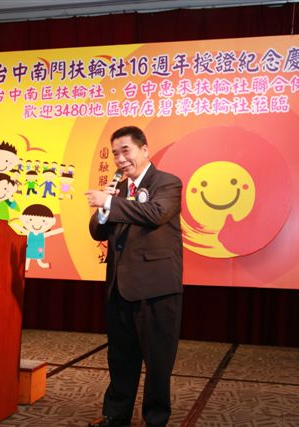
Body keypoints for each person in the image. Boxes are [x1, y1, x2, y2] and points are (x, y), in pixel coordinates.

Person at [85, 126, 183, 427]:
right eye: (115, 154)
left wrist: (110, 203)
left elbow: (155, 213)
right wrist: (105, 207)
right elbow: (97, 232)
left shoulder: (167, 183)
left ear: (144, 149)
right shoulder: (120, 190)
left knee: (157, 362)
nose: (120, 159)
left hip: (156, 289)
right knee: (120, 358)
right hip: (119, 287)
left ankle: (155, 419)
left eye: (125, 151)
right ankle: (115, 416)